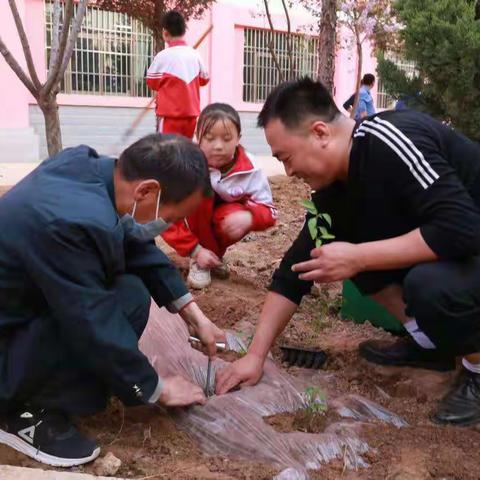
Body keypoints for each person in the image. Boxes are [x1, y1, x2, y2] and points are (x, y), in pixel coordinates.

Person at [216, 77, 480, 428]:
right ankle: (432, 344)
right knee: (354, 256)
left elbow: (462, 227)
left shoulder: (392, 140)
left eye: (287, 157)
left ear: (321, 133)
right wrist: (255, 356)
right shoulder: (336, 189)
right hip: (466, 255)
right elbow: (296, 268)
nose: (289, 172)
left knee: (425, 283)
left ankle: (477, 369)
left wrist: (359, 257)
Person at [0, 134, 225, 467]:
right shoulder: (72, 224)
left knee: (129, 292)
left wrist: (193, 313)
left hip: (17, 305)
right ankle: (19, 413)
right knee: (123, 302)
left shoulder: (83, 167)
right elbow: (92, 319)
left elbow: (131, 241)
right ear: (147, 190)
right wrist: (155, 387)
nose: (171, 226)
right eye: (173, 217)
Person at [161, 103, 277, 289]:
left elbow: (270, 211)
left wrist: (250, 217)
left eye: (226, 138)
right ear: (198, 138)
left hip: (221, 221)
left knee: (232, 213)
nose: (218, 146)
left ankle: (213, 256)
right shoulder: (184, 167)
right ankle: (201, 259)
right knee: (198, 193)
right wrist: (194, 249)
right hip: (194, 220)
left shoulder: (250, 170)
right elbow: (162, 215)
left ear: (238, 139)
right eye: (209, 138)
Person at [146, 10, 209, 139]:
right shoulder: (195, 55)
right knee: (185, 151)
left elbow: (151, 82)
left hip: (169, 117)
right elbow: (204, 79)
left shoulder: (162, 57)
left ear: (165, 33)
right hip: (191, 116)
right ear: (184, 31)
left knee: (167, 152)